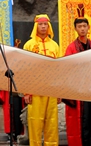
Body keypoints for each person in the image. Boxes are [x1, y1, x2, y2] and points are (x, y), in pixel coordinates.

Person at [63, 18, 91, 146]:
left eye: (84, 26)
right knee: (82, 122)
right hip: (79, 92)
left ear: (88, 27)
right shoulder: (71, 48)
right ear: (75, 29)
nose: (82, 29)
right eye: (79, 26)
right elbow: (67, 69)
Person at [22, 14, 61, 146]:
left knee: (52, 122)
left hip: (52, 89)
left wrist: (59, 91)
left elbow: (59, 68)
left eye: (45, 24)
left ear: (49, 26)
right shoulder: (29, 45)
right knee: (35, 123)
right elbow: (25, 69)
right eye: (40, 24)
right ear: (36, 26)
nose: (43, 27)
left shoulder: (55, 45)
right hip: (35, 89)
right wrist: (26, 92)